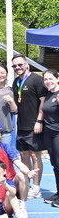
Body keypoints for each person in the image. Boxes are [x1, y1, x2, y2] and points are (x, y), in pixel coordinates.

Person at [11, 54, 47, 199]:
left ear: (26, 64)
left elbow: (43, 101)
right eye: (14, 66)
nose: (17, 67)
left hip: (34, 125)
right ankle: (26, 184)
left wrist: (39, 121)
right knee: (24, 155)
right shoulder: (16, 82)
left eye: (20, 64)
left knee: (35, 156)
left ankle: (36, 188)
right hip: (21, 125)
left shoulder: (36, 79)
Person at [41, 69, 59, 207]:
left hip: (58, 133)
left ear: (57, 79)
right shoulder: (48, 94)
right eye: (46, 79)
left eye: (51, 78)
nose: (48, 81)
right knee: (54, 164)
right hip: (49, 132)